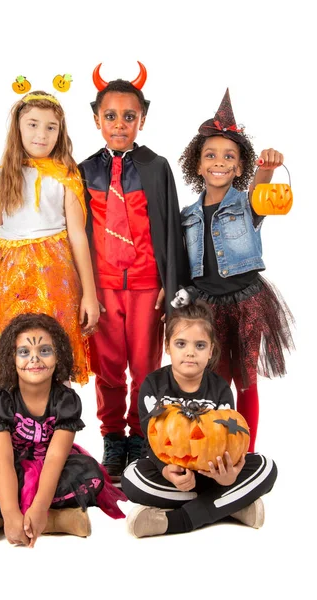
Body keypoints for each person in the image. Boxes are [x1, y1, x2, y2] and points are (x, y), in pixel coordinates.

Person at [78, 62, 190, 480]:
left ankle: (144, 436)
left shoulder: (155, 166)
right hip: (103, 286)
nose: (120, 124)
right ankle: (112, 436)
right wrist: (83, 289)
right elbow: (77, 232)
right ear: (96, 120)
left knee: (145, 366)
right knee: (107, 367)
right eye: (111, 116)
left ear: (142, 119)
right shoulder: (84, 170)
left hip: (146, 284)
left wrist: (170, 283)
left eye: (129, 117)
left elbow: (169, 226)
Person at [0, 313, 126, 547]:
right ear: (11, 358)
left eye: (45, 350)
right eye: (24, 352)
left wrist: (40, 506)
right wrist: (10, 511)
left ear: (59, 356)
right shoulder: (2, 400)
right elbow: (3, 461)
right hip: (9, 465)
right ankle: (40, 519)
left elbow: (55, 459)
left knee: (93, 479)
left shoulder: (66, 400)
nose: (34, 358)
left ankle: (25, 518)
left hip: (50, 466)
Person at [0, 90, 99, 385]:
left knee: (56, 347)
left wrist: (89, 295)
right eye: (32, 124)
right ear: (18, 127)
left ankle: (59, 421)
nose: (41, 134)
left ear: (60, 132)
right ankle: (16, 423)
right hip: (10, 277)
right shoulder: (1, 177)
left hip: (56, 276)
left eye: (50, 127)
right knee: (15, 349)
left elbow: (78, 236)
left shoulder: (65, 175)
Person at [178, 89, 294, 451]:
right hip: (207, 305)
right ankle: (215, 445)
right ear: (197, 164)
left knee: (246, 379)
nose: (219, 161)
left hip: (248, 302)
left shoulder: (248, 205)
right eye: (210, 155)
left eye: (229, 156)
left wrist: (266, 169)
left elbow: (263, 190)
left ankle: (245, 451)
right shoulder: (187, 217)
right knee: (214, 378)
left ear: (239, 166)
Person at [121, 291, 277, 538]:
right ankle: (231, 505)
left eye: (200, 345)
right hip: (170, 474)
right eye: (181, 344)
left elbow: (230, 441)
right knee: (130, 478)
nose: (190, 352)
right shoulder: (153, 385)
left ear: (211, 350)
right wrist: (165, 470)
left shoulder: (220, 388)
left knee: (266, 468)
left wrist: (231, 474)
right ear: (167, 346)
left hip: (212, 474)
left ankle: (176, 521)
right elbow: (152, 441)